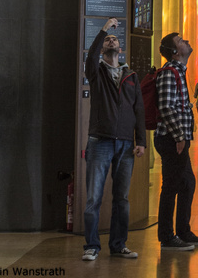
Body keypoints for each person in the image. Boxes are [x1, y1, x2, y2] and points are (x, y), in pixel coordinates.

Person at [82, 17, 145, 261]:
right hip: (100, 141)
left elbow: (139, 109)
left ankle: (118, 245)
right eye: (108, 39)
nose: (111, 40)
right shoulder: (96, 72)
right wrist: (103, 29)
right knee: (93, 198)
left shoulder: (131, 75)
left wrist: (141, 141)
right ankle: (91, 246)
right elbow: (91, 56)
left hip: (126, 144)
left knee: (122, 199)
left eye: (114, 39)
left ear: (120, 49)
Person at [154, 32, 198, 253]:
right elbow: (166, 107)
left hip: (178, 139)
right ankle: (168, 237)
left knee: (187, 184)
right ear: (176, 52)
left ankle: (183, 231)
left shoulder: (179, 71)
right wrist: (179, 136)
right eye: (181, 41)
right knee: (171, 187)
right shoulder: (169, 73)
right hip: (171, 139)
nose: (186, 41)